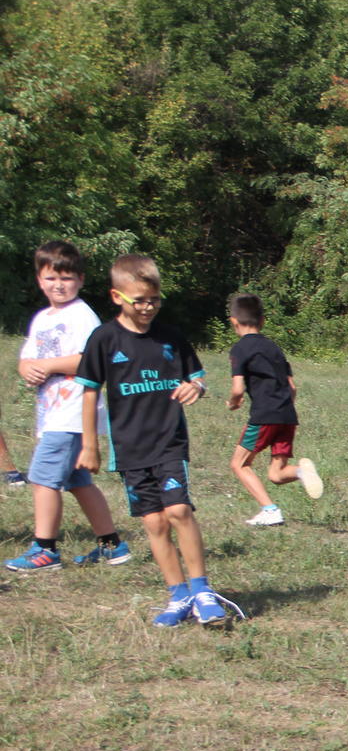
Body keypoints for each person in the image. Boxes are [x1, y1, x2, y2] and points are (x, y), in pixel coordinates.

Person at [74, 254, 241, 626]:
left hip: (169, 441)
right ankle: (178, 596)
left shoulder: (171, 337)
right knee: (154, 524)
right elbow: (89, 392)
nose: (148, 307)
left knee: (179, 511)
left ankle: (202, 591)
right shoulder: (104, 339)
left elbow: (197, 378)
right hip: (129, 447)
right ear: (116, 296)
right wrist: (90, 445)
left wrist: (196, 387)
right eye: (139, 301)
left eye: (155, 300)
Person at [7, 240, 128, 572]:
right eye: (51, 278)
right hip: (52, 413)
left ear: (81, 280)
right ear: (39, 279)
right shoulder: (42, 318)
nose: (58, 285)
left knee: (43, 479)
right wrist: (25, 367)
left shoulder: (82, 316)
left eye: (66, 278)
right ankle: (112, 546)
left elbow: (92, 360)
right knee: (78, 481)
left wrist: (46, 366)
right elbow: (28, 357)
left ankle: (45, 549)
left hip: (73, 412)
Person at [224, 293, 323, 525]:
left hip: (264, 416)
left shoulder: (240, 349)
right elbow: (292, 387)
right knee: (276, 474)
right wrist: (283, 408)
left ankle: (270, 510)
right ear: (263, 321)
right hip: (287, 415)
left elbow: (237, 389)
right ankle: (301, 472)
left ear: (233, 321)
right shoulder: (274, 348)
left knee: (239, 464)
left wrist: (233, 402)